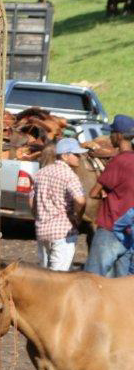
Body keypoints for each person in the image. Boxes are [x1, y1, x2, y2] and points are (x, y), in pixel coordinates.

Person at [85, 115, 134, 277]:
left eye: (112, 133)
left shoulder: (118, 161)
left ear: (119, 135)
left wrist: (105, 194)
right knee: (121, 282)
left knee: (92, 277)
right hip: (129, 230)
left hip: (111, 225)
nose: (110, 137)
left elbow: (93, 192)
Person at [29, 138, 87, 271]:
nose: (80, 157)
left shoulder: (40, 173)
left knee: (44, 273)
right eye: (76, 154)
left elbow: (31, 201)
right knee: (58, 276)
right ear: (65, 156)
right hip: (62, 232)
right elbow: (80, 200)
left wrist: (37, 217)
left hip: (42, 230)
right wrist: (78, 216)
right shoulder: (69, 176)